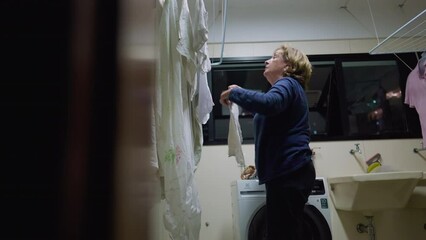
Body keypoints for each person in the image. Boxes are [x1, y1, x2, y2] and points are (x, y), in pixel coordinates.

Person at [220, 44, 316, 240]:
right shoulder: (288, 90)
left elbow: (268, 104)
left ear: (288, 65)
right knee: (286, 233)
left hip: (289, 172)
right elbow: (268, 109)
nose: (267, 61)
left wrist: (236, 93)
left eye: (274, 57)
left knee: (281, 235)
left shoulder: (287, 84)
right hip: (290, 172)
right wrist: (243, 100)